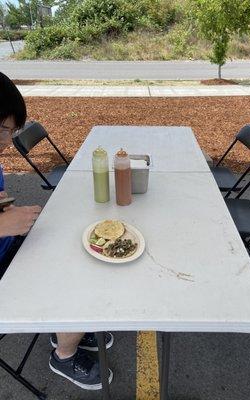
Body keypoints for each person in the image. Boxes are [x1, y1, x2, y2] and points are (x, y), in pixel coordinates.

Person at [0, 72, 113, 390]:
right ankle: (64, 354)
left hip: (9, 251)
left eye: (9, 130)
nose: (6, 140)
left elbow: (1, 203)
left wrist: (11, 212)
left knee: (82, 251)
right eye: (1, 129)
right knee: (77, 282)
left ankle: (68, 326)